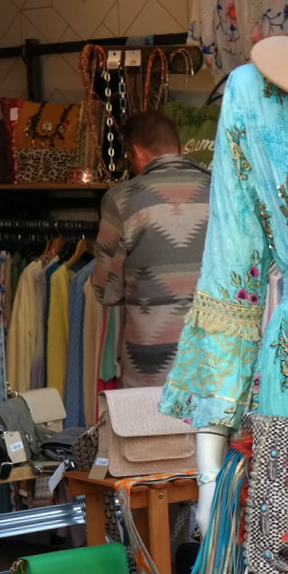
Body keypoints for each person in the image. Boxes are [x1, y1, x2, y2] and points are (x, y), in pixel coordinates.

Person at [92, 110, 210, 387]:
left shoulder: (121, 200)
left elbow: (106, 290)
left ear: (136, 151)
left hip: (151, 364)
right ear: (181, 147)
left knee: (149, 418)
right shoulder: (224, 192)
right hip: (217, 359)